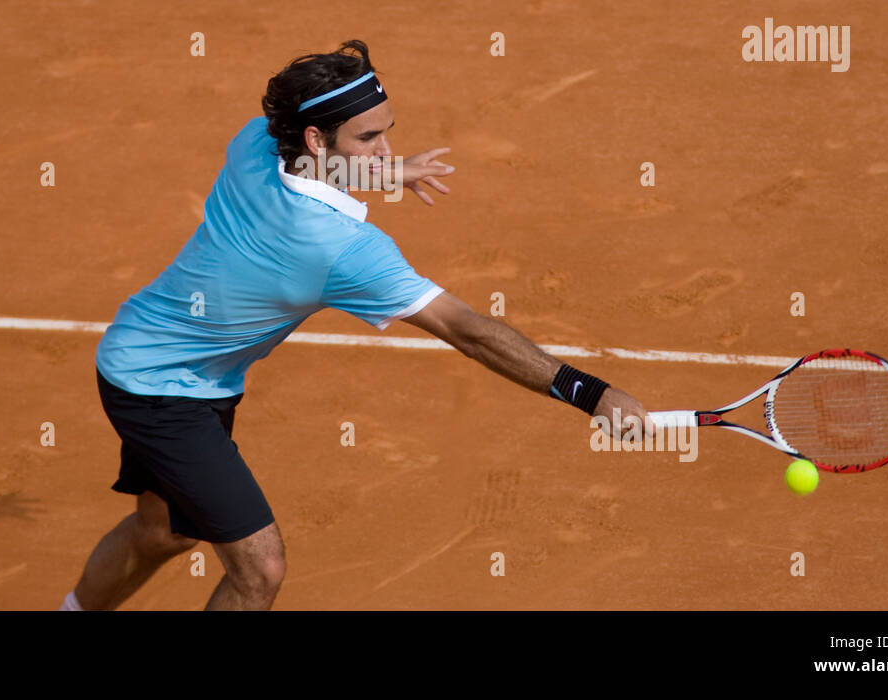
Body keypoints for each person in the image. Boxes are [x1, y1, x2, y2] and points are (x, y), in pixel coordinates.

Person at [59, 39, 649, 611]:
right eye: (369, 138)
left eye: (388, 129)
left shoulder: (254, 143)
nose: (387, 149)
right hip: (164, 395)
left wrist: (381, 175)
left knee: (164, 532)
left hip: (137, 350)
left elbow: (307, 170)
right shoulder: (342, 251)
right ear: (317, 139)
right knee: (259, 570)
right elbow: (468, 330)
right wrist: (592, 394)